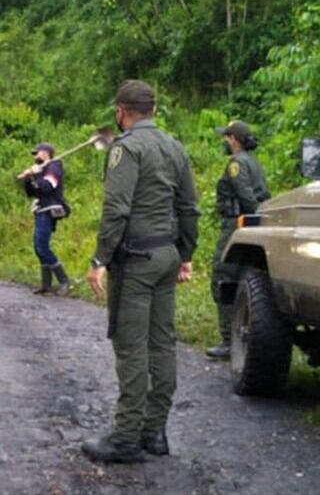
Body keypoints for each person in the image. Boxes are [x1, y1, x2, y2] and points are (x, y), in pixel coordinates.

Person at [83, 80, 200, 463]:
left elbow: (116, 208)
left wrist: (99, 259)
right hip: (166, 254)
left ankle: (126, 437)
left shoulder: (126, 148)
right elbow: (188, 207)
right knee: (162, 343)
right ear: (153, 109)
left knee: (131, 347)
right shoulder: (174, 147)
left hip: (135, 260)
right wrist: (184, 253)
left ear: (121, 111)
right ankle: (155, 432)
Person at [206, 121, 270, 359]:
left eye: (226, 137)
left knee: (223, 278)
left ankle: (227, 339)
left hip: (236, 223)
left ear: (233, 139)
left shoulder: (236, 163)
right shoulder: (254, 162)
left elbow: (246, 196)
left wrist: (252, 218)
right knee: (245, 278)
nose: (224, 141)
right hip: (250, 223)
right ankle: (243, 338)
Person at [22, 142, 71, 296]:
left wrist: (35, 174)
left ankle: (64, 281)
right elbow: (32, 192)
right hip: (40, 209)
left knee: (42, 246)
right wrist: (28, 180)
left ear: (45, 153)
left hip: (49, 210)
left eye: (37, 153)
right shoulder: (41, 169)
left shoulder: (53, 167)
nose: (35, 156)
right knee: (38, 247)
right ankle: (46, 284)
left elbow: (48, 186)